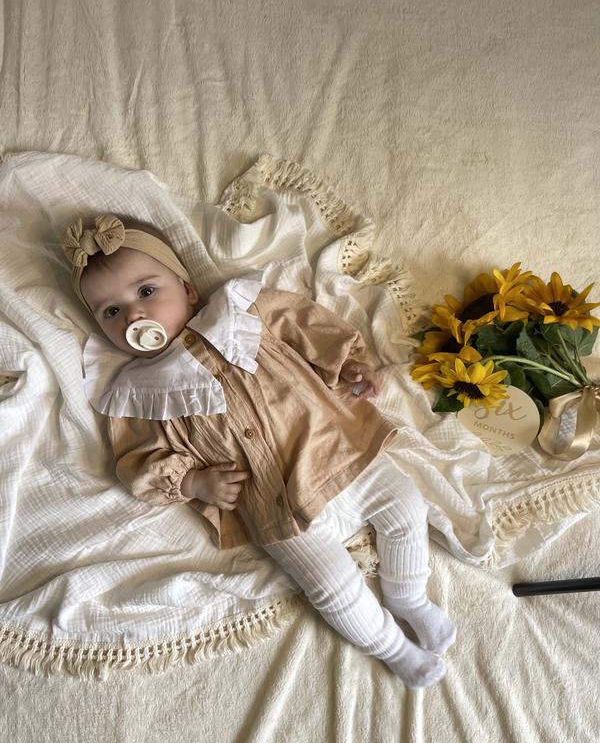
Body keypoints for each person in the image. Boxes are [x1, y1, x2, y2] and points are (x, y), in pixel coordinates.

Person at [61, 213, 456, 689]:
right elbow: (136, 463)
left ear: (187, 288)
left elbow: (308, 327)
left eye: (146, 291)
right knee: (331, 588)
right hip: (270, 501)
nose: (133, 316)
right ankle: (393, 648)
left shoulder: (244, 310)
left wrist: (348, 365)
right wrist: (191, 482)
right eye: (110, 312)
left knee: (406, 505)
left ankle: (408, 595)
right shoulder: (136, 393)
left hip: (335, 445)